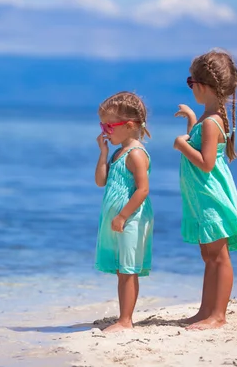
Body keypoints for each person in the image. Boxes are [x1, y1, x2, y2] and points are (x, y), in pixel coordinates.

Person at [173, 49, 237, 330]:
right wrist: (190, 119)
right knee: (209, 256)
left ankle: (218, 315)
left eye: (190, 82)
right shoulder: (209, 117)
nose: (190, 86)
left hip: (211, 196)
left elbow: (206, 163)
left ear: (203, 86)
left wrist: (181, 145)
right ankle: (205, 310)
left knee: (219, 257)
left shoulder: (211, 122)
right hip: (201, 198)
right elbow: (202, 140)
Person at [94, 91, 154, 333]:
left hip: (132, 217)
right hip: (121, 219)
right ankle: (124, 317)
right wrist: (103, 153)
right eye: (102, 125)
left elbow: (143, 190)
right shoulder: (118, 152)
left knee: (128, 269)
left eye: (109, 125)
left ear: (129, 126)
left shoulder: (136, 154)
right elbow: (101, 181)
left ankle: (125, 320)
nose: (105, 130)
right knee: (122, 269)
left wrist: (122, 216)